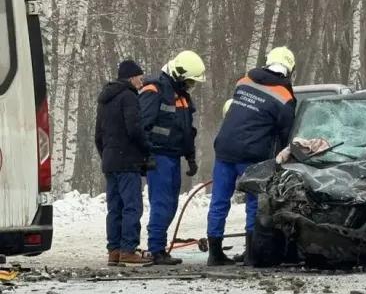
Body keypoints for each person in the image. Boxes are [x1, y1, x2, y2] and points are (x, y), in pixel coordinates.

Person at [207, 47, 297, 266]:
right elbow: (286, 134)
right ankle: (251, 254)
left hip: (224, 148)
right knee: (254, 203)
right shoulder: (285, 97)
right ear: (289, 69)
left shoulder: (244, 81)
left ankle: (214, 254)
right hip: (252, 154)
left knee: (219, 201)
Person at [139, 50, 206, 265]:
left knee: (171, 204)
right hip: (159, 157)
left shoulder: (181, 95)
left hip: (173, 157)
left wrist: (191, 156)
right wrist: (147, 155)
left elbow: (187, 130)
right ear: (179, 74)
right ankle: (156, 249)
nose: (191, 86)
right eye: (189, 81)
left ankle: (159, 246)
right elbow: (142, 126)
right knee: (162, 203)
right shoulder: (154, 90)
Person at [95, 60, 153, 267]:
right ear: (131, 77)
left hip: (110, 161)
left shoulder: (105, 98)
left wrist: (106, 155)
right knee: (132, 206)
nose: (141, 82)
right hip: (127, 161)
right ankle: (128, 250)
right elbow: (135, 129)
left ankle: (114, 251)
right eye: (140, 77)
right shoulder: (129, 96)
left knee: (115, 208)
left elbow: (98, 135)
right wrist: (147, 150)